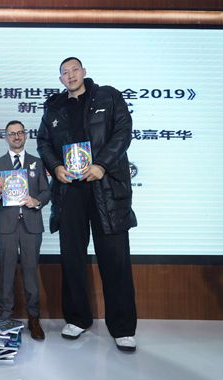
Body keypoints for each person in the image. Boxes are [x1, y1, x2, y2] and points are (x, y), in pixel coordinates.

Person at [36, 56, 138, 352]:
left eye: (74, 70)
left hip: (106, 188)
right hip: (70, 191)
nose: (70, 76)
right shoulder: (53, 107)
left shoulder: (108, 96)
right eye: (64, 73)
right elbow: (43, 142)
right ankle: (77, 318)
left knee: (115, 259)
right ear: (60, 79)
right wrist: (56, 167)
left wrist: (102, 165)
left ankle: (123, 327)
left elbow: (123, 132)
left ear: (84, 72)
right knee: (72, 257)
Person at [0, 120, 51, 340]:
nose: (16, 136)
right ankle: (5, 317)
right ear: (6, 137)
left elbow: (46, 191)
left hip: (31, 225)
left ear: (25, 135)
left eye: (20, 132)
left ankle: (34, 318)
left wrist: (36, 201)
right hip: (6, 226)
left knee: (31, 272)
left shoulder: (37, 162)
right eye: (12, 133)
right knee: (6, 273)